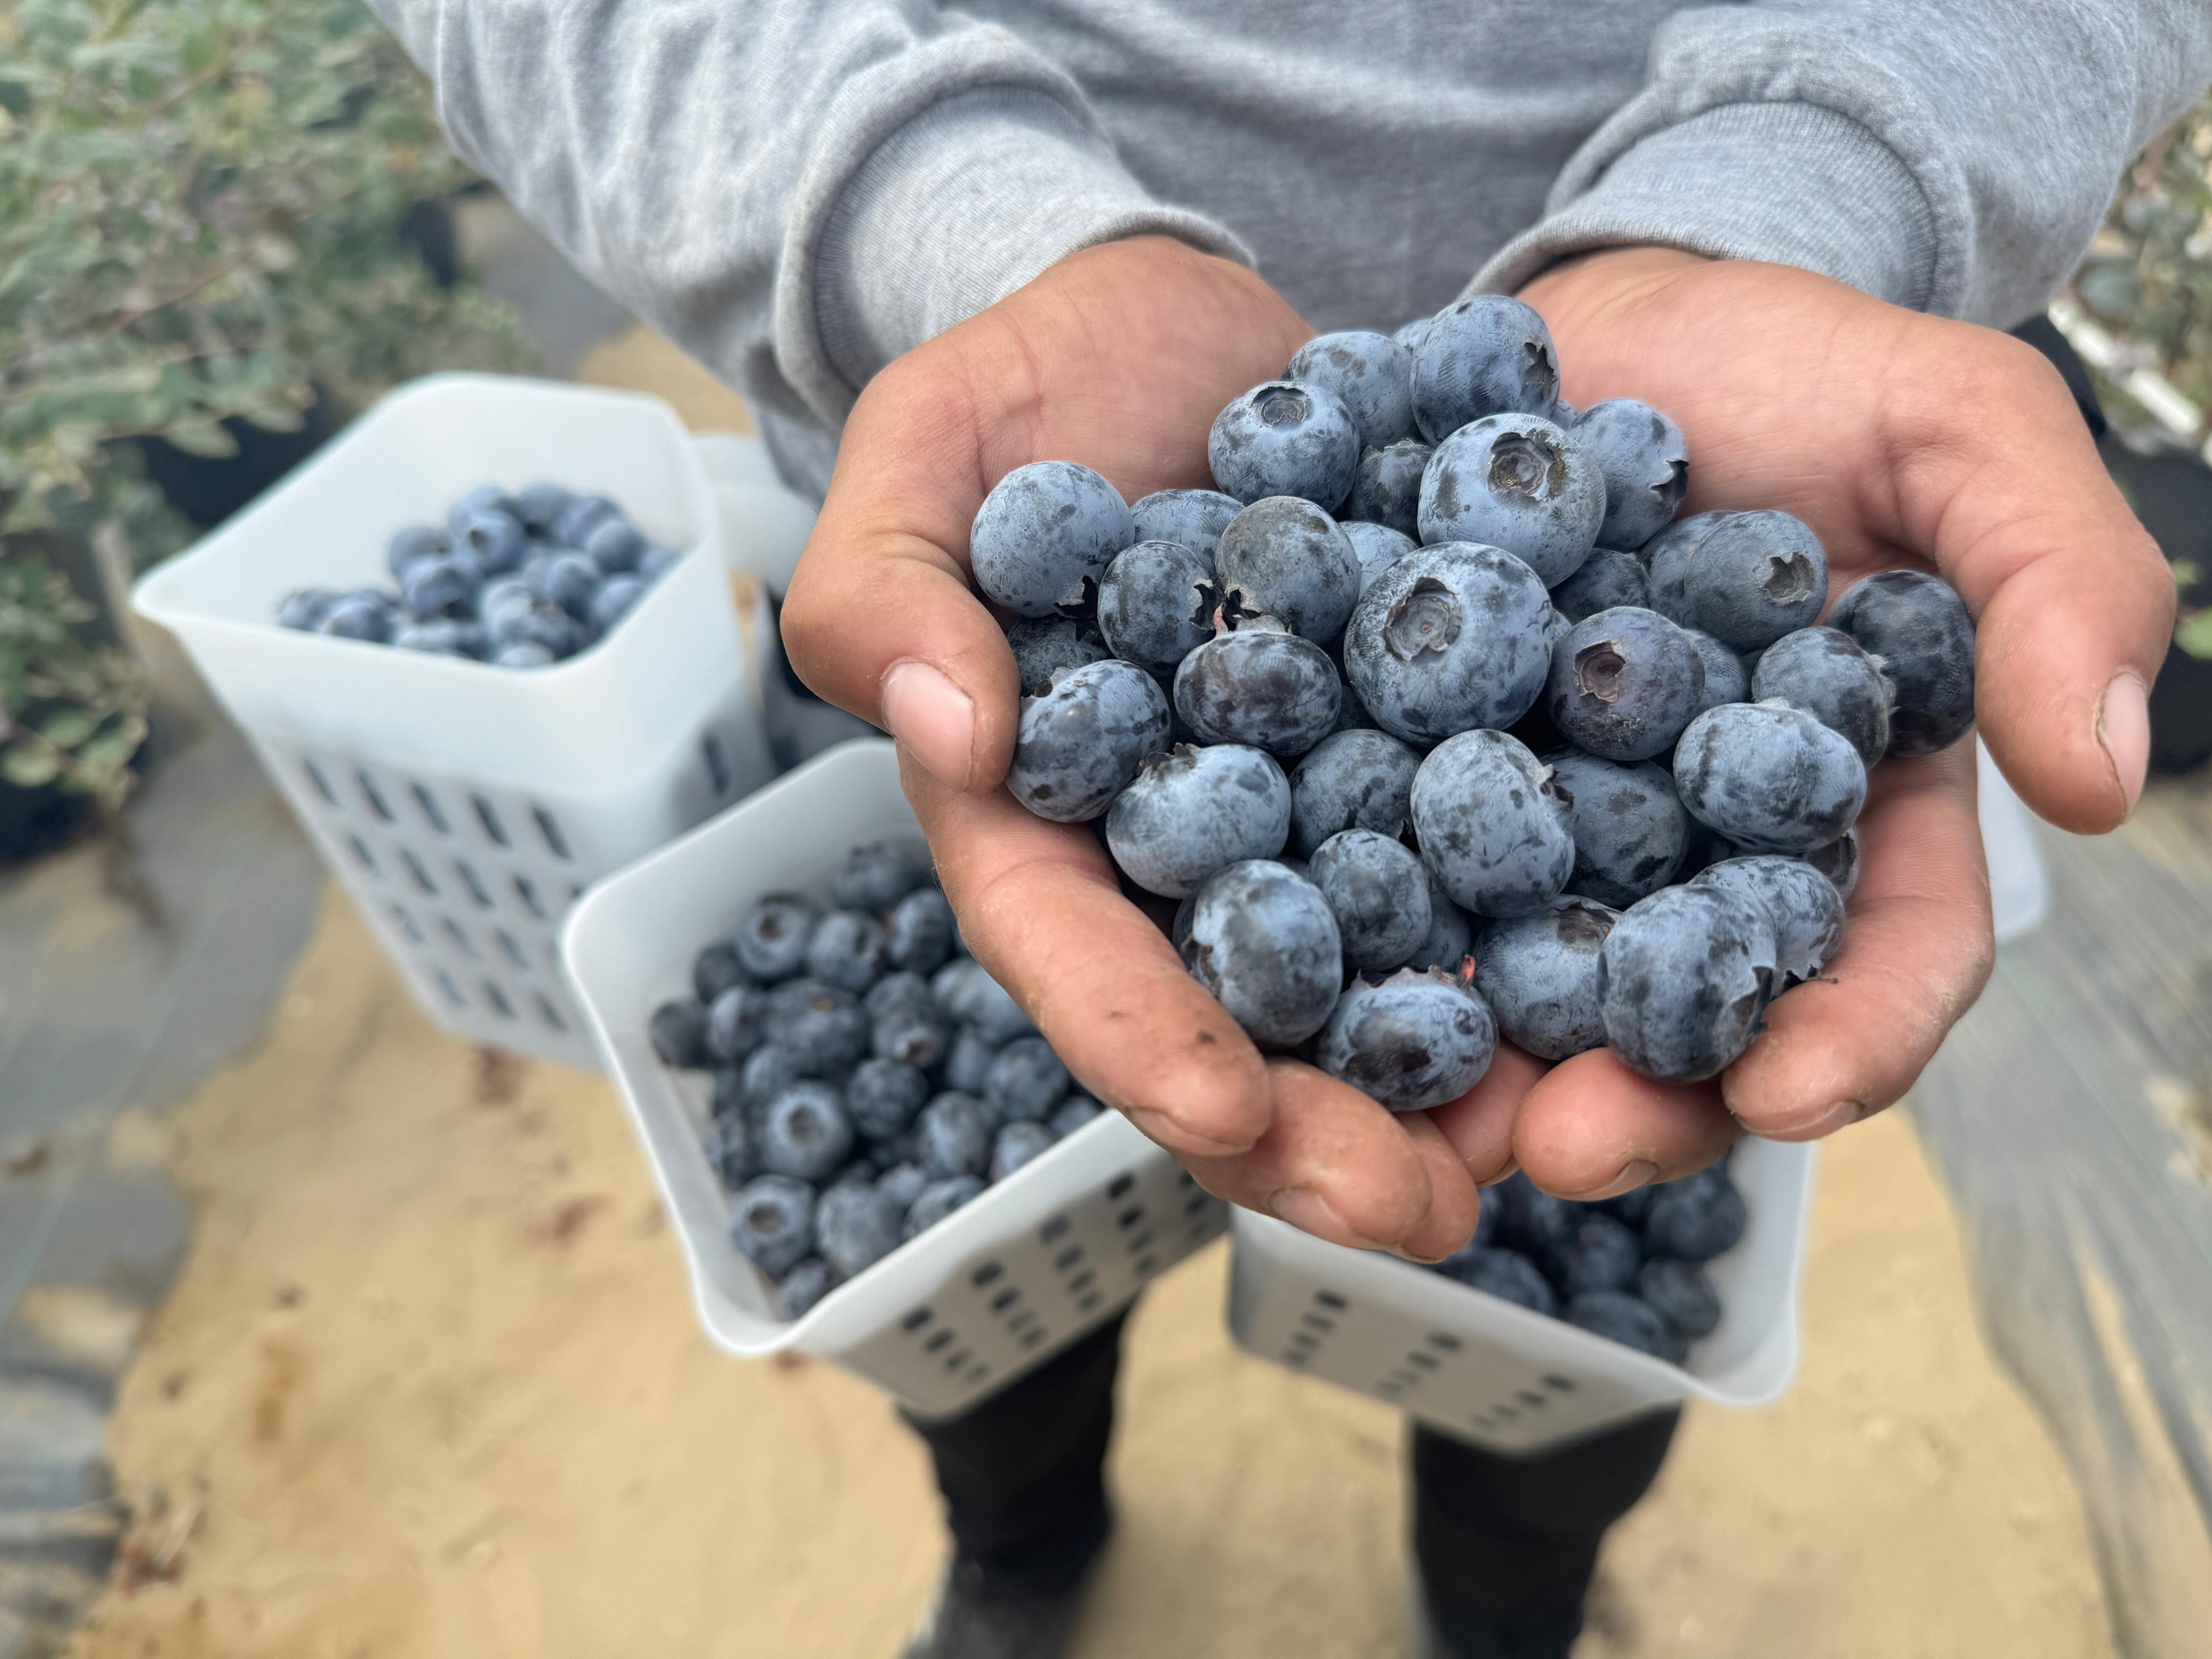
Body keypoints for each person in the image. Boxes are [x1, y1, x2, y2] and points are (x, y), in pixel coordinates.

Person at [365, 2, 2201, 1653]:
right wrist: (917, 219)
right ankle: (1024, 1540)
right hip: (992, 400)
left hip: (1738, 336)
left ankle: (1506, 1604)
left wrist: (1812, 182)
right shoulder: (1222, 624)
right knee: (1001, 1254)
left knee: (1575, 1270)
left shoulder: (1633, 674)